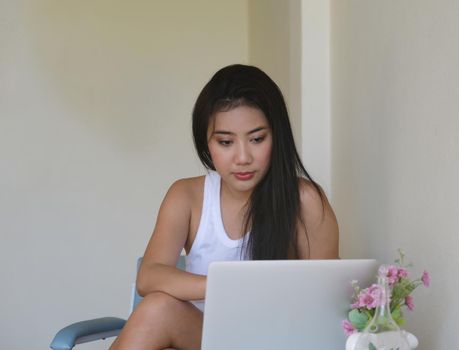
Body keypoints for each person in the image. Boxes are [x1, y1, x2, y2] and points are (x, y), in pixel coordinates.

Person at [109, 64, 339, 350]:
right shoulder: (187, 196)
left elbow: (327, 305)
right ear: (207, 144)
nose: (243, 157)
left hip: (276, 341)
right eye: (226, 142)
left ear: (277, 136)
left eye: (256, 139)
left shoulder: (306, 202)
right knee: (157, 308)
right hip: (205, 338)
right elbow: (150, 276)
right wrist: (227, 287)